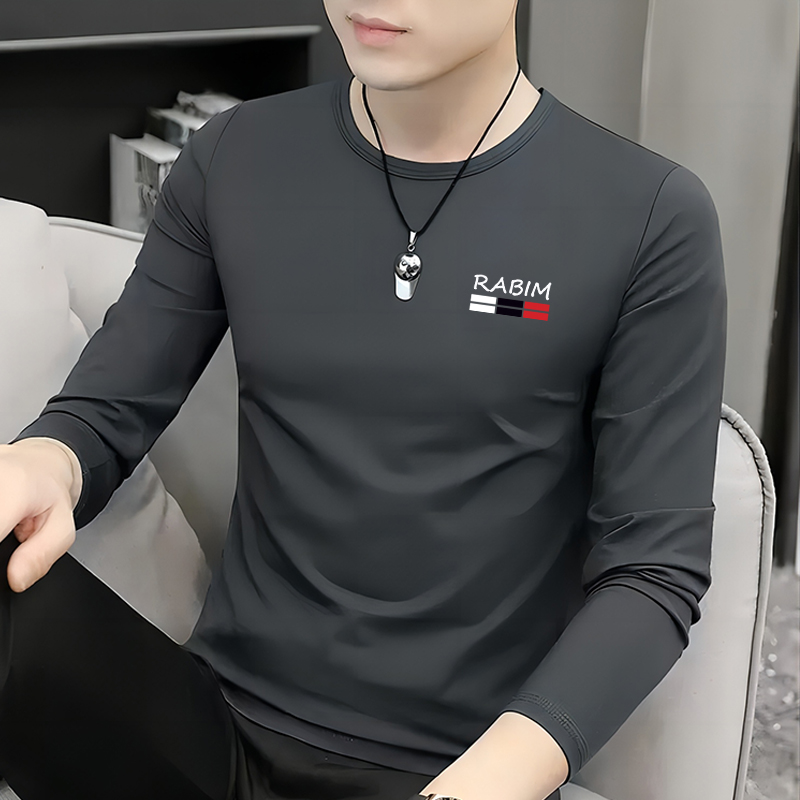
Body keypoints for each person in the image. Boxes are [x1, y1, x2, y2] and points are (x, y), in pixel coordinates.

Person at [0, 1, 727, 799]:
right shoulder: (236, 155)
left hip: (450, 770)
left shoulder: (647, 214)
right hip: (212, 733)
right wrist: (45, 461)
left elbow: (651, 569)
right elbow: (107, 406)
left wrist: (486, 785)